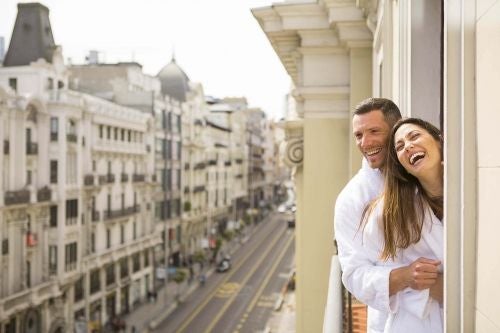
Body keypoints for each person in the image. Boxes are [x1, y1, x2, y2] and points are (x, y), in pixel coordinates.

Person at [360, 118, 443, 332]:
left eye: (414, 136)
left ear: (439, 141)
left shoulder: (475, 191)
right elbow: (368, 272)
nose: (408, 146)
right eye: (400, 146)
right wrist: (412, 279)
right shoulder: (389, 214)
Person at [331, 97, 402, 333]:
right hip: (390, 321)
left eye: (374, 131)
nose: (365, 142)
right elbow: (353, 274)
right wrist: (407, 278)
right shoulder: (350, 199)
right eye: (359, 135)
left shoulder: (424, 175)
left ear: (397, 129)